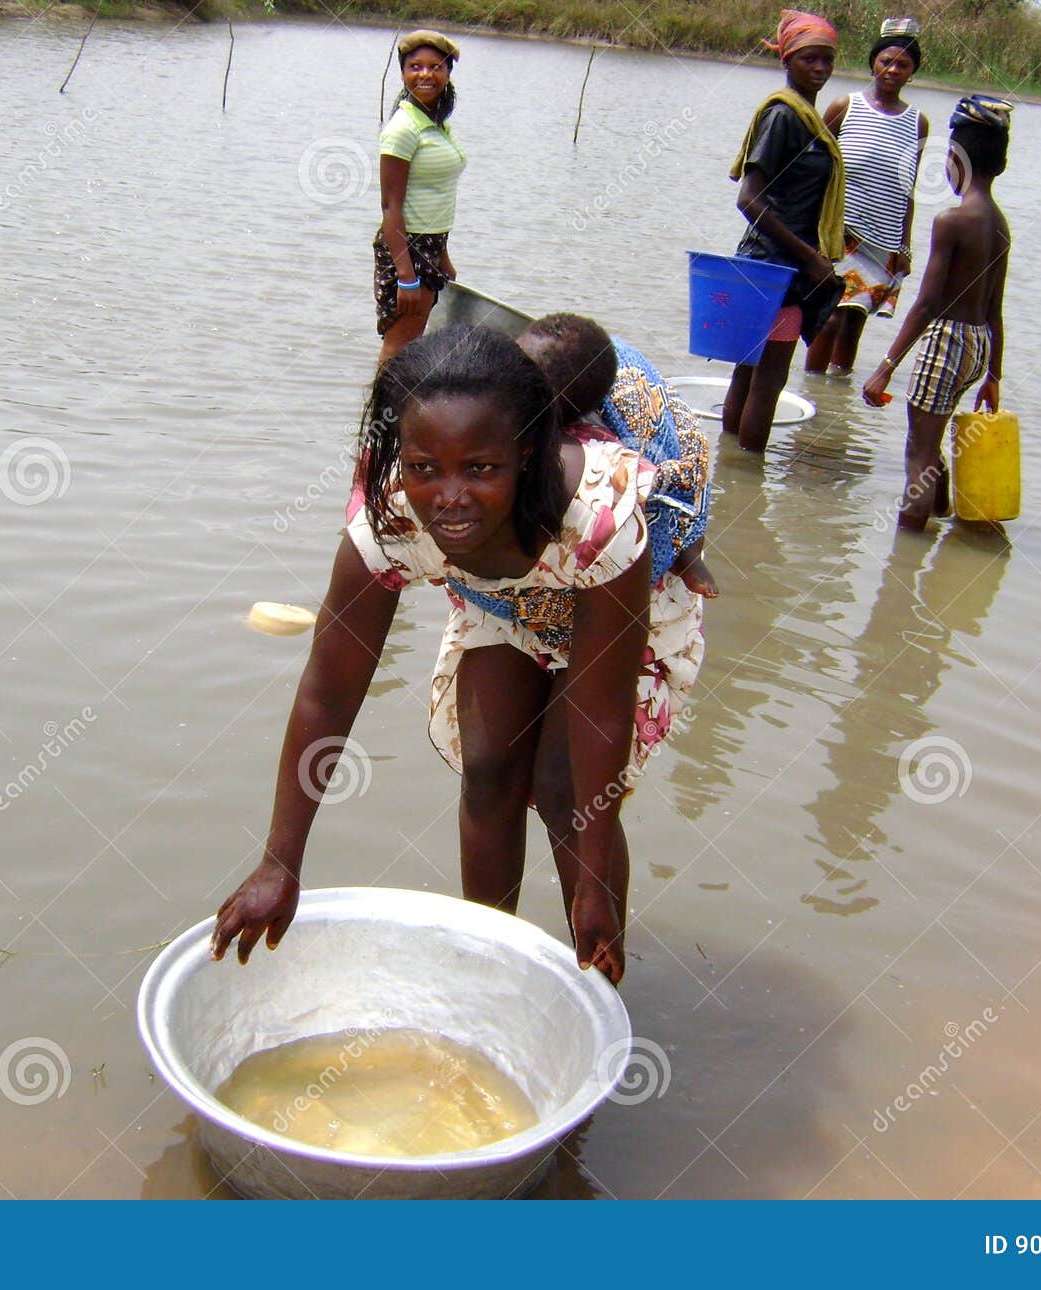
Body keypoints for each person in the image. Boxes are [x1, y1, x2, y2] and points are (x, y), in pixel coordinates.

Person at [211, 327, 707, 985]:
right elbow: (327, 692)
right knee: (490, 764)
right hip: (499, 598)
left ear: (525, 451)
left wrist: (594, 885)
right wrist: (280, 863)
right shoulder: (391, 516)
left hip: (605, 596)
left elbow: (602, 712)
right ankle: (488, 971)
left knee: (564, 787)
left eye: (481, 469)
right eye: (425, 468)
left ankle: (597, 968)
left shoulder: (598, 514)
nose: (450, 497)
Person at [861, 95, 1013, 530]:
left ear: (954, 160)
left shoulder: (952, 221)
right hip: (977, 344)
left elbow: (927, 304)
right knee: (932, 437)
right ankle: (942, 513)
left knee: (918, 450)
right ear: (1001, 165)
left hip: (947, 340)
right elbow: (995, 309)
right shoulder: (1000, 225)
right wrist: (993, 376)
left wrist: (886, 366)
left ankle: (907, 545)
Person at [515, 313, 719, 597]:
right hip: (592, 367)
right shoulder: (515, 368)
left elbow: (678, 478)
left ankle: (688, 553)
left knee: (689, 458)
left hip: (661, 416)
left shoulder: (633, 423)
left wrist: (673, 546)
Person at [722, 8, 847, 454]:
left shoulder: (807, 117)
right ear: (787, 60)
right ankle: (746, 479)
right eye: (809, 59)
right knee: (766, 381)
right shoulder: (785, 116)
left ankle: (730, 467)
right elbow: (749, 199)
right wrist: (810, 259)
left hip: (774, 265)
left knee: (750, 374)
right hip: (776, 270)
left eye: (827, 60)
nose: (820, 68)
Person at [803, 17, 929, 378]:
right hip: (838, 234)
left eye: (903, 65)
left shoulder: (917, 123)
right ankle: (814, 391)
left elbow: (908, 189)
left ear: (912, 72)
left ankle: (837, 387)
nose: (893, 70)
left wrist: (904, 247)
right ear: (873, 63)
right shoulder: (845, 107)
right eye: (886, 62)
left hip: (883, 240)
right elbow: (814, 168)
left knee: (854, 322)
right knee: (829, 318)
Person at [374, 30, 467, 364]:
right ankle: (383, 401)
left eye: (435, 66)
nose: (425, 74)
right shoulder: (403, 129)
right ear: (403, 73)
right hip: (407, 248)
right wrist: (407, 277)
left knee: (411, 344)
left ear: (448, 74)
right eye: (415, 66)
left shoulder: (436, 125)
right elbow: (391, 206)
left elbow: (434, 196)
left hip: (429, 245)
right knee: (400, 346)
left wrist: (442, 256)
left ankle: (398, 398)